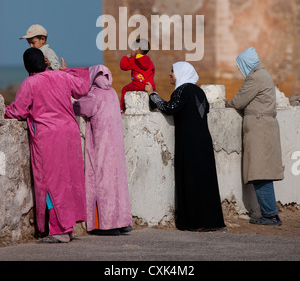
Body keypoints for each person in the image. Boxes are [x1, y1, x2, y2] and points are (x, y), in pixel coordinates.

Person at [4, 48, 91, 243]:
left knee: (51, 182)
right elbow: (83, 88)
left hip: (49, 137)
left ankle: (59, 230)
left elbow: (18, 111)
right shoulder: (61, 76)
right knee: (68, 181)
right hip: (70, 133)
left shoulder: (30, 82)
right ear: (44, 61)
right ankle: (68, 226)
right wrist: (66, 71)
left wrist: (4, 109)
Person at [145, 61, 225, 232]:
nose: (170, 74)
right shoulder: (199, 91)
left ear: (181, 73)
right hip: (203, 141)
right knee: (205, 181)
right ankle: (211, 221)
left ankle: (195, 222)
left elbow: (170, 108)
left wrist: (152, 94)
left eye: (172, 71)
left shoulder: (183, 90)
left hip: (190, 142)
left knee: (192, 180)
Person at [225, 47, 284, 226]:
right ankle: (271, 212)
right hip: (265, 129)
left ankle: (270, 214)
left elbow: (239, 100)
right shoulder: (263, 74)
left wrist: (225, 103)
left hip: (260, 131)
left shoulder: (255, 77)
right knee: (263, 172)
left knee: (260, 173)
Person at [73, 64, 132, 235]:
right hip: (116, 147)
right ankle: (121, 221)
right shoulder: (113, 93)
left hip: (102, 146)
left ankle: (105, 224)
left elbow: (78, 108)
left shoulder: (95, 95)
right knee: (117, 185)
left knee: (101, 184)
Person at [120, 38, 156, 112]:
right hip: (149, 85)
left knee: (125, 89)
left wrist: (126, 57)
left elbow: (123, 66)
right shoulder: (149, 61)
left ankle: (122, 108)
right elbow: (153, 71)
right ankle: (154, 106)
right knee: (154, 91)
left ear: (137, 49)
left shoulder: (134, 60)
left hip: (138, 84)